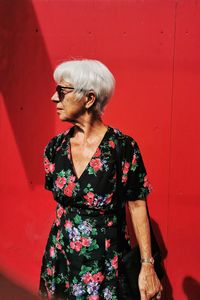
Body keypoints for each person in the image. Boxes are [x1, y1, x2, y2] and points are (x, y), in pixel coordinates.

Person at [38, 59, 163, 300]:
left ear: (89, 99)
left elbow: (137, 205)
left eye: (61, 91)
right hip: (61, 261)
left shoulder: (122, 148)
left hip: (106, 265)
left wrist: (147, 266)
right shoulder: (55, 148)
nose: (54, 99)